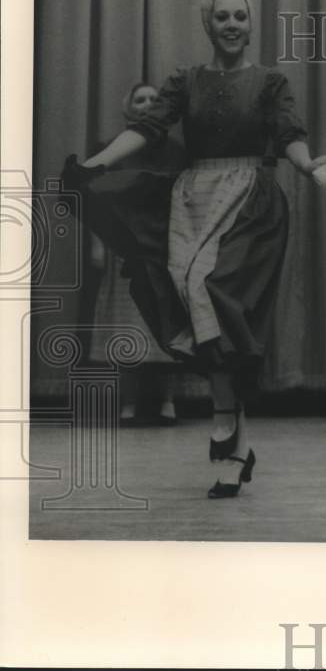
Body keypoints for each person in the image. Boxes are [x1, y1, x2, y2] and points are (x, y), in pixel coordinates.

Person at [62, 0, 326, 498]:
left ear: (251, 25)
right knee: (196, 306)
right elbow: (147, 128)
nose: (231, 24)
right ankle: (234, 440)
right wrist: (97, 164)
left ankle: (226, 420)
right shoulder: (186, 80)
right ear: (209, 26)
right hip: (194, 197)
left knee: (215, 294)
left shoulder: (270, 81)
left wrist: (307, 163)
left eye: (240, 16)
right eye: (222, 16)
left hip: (249, 200)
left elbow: (290, 133)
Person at [86, 83, 187, 425]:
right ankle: (128, 404)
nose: (147, 105)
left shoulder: (177, 151)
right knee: (124, 329)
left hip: (164, 248)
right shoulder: (110, 150)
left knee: (166, 327)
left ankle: (168, 402)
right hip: (125, 248)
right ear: (128, 109)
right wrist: (98, 244)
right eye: (139, 100)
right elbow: (95, 200)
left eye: (154, 100)